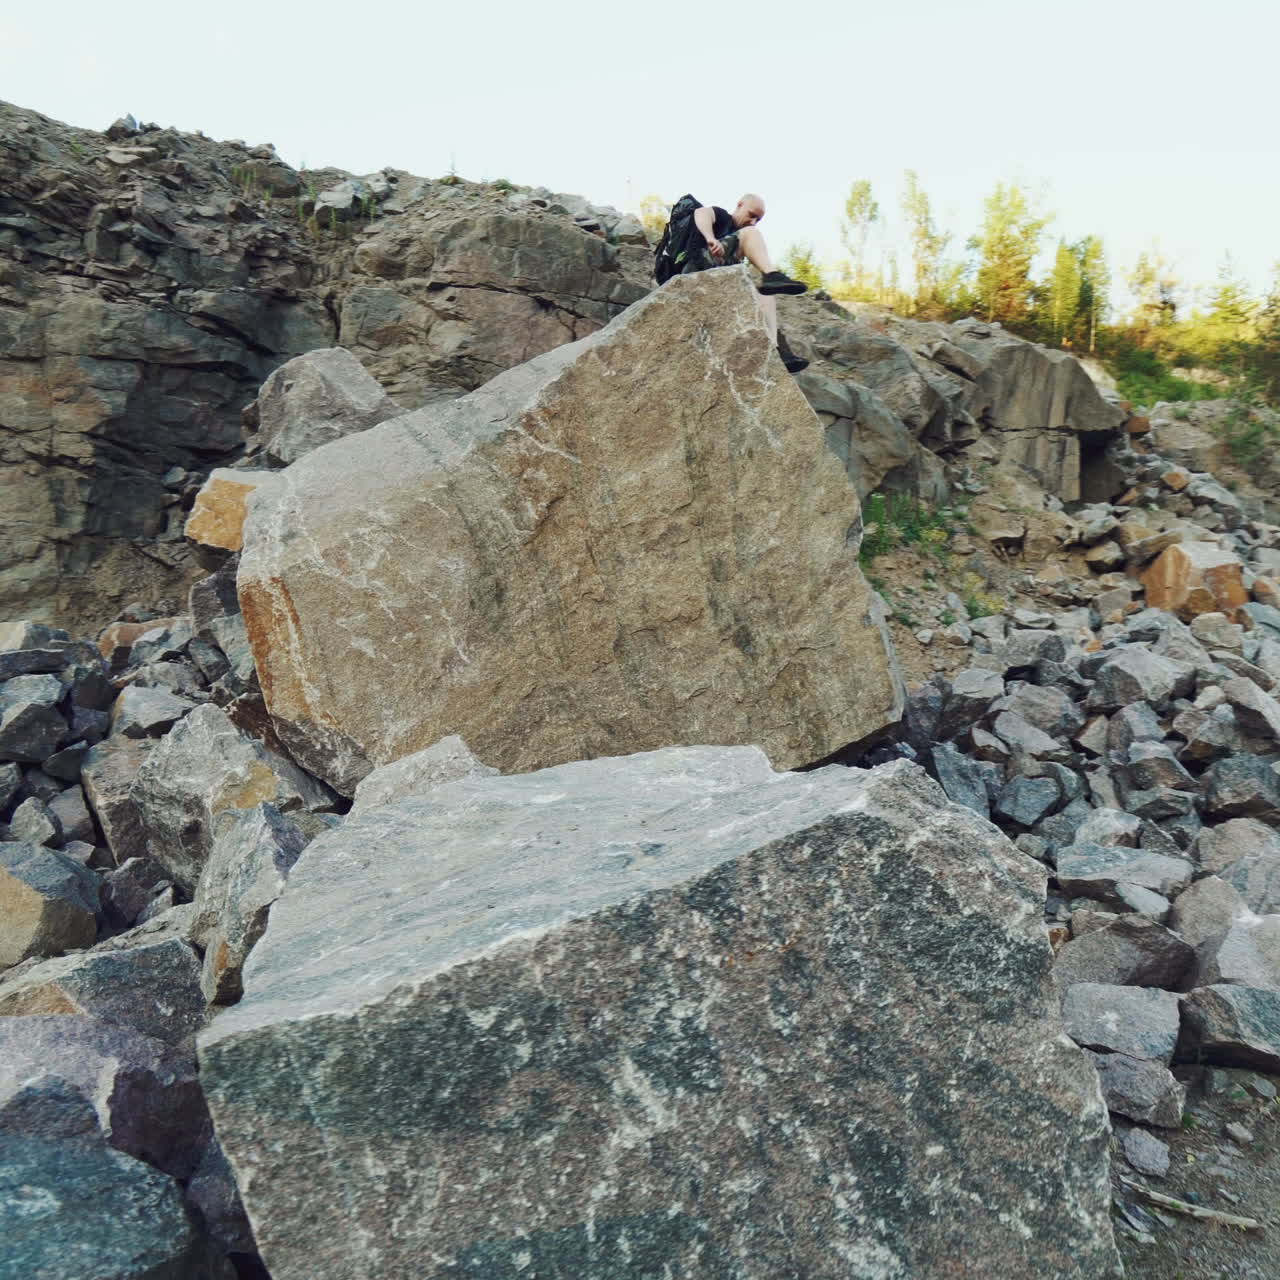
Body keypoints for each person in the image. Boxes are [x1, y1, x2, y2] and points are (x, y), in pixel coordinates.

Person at [680, 193, 809, 373]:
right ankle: (771, 274)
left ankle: (776, 349)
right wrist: (710, 238)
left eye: (758, 219)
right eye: (752, 214)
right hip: (693, 269)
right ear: (740, 205)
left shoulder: (735, 237)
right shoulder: (723, 217)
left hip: (718, 280)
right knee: (750, 234)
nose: (753, 221)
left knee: (765, 294)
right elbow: (701, 213)